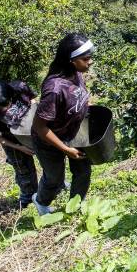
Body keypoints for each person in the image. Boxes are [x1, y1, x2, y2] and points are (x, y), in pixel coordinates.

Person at [31, 33, 94, 215]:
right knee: (54, 178)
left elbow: (77, 97)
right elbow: (40, 127)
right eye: (86, 59)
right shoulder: (55, 89)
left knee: (83, 172)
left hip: (73, 133)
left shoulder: (76, 74)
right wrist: (65, 150)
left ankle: (75, 206)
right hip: (49, 141)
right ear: (71, 61)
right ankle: (41, 201)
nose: (90, 62)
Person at [0, 80, 40, 209]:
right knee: (24, 171)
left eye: (6, 104)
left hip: (34, 130)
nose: (5, 109)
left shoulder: (20, 88)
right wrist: (19, 147)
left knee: (50, 160)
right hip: (12, 140)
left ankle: (57, 185)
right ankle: (29, 199)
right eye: (0, 107)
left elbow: (33, 100)